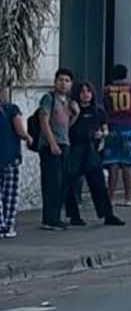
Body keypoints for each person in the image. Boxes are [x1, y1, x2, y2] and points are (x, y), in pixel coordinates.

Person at [65, 82, 124, 227]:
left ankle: (107, 214)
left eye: (88, 91)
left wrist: (102, 134)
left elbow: (105, 128)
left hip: (91, 147)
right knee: (71, 182)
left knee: (98, 182)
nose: (86, 94)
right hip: (75, 147)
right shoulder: (72, 109)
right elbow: (65, 127)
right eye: (82, 91)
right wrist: (76, 113)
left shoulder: (98, 111)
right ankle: (74, 215)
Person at [102, 64, 131, 207]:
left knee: (112, 163)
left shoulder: (107, 90)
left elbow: (104, 107)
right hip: (129, 129)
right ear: (126, 74)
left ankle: (110, 198)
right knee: (127, 164)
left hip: (112, 128)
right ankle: (128, 197)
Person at [38, 69, 75, 230]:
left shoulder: (67, 101)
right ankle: (50, 219)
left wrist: (76, 114)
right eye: (60, 79)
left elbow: (67, 127)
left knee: (61, 183)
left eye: (67, 80)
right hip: (50, 146)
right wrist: (52, 143)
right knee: (52, 182)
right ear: (55, 82)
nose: (63, 83)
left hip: (64, 144)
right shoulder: (48, 98)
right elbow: (44, 121)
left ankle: (56, 217)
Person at [0, 82, 30, 238]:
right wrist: (29, 137)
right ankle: (9, 224)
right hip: (10, 156)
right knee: (10, 192)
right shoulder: (11, 109)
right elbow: (20, 130)